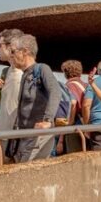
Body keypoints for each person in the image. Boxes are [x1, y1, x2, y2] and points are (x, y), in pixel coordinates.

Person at [7, 33, 59, 162]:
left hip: (37, 137)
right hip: (25, 136)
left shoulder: (42, 69)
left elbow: (55, 91)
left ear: (25, 51)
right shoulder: (25, 74)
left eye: (13, 51)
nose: (11, 56)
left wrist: (47, 120)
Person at [0, 28, 24, 134]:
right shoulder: (5, 72)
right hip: (3, 133)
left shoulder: (29, 72)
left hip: (19, 136)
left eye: (0, 45)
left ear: (11, 46)